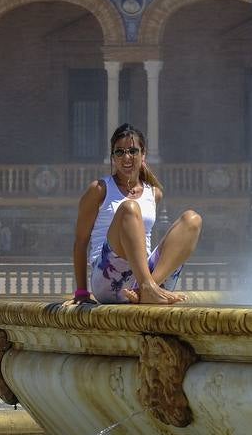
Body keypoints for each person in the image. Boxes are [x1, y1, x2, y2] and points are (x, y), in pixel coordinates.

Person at [72, 123, 202, 305]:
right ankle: (148, 287)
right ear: (113, 157)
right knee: (129, 208)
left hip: (146, 277)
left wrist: (148, 280)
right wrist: (81, 292)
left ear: (143, 155)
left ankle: (148, 288)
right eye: (119, 152)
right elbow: (80, 241)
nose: (126, 157)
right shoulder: (100, 189)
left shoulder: (154, 193)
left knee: (192, 220)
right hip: (109, 278)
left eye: (133, 151)